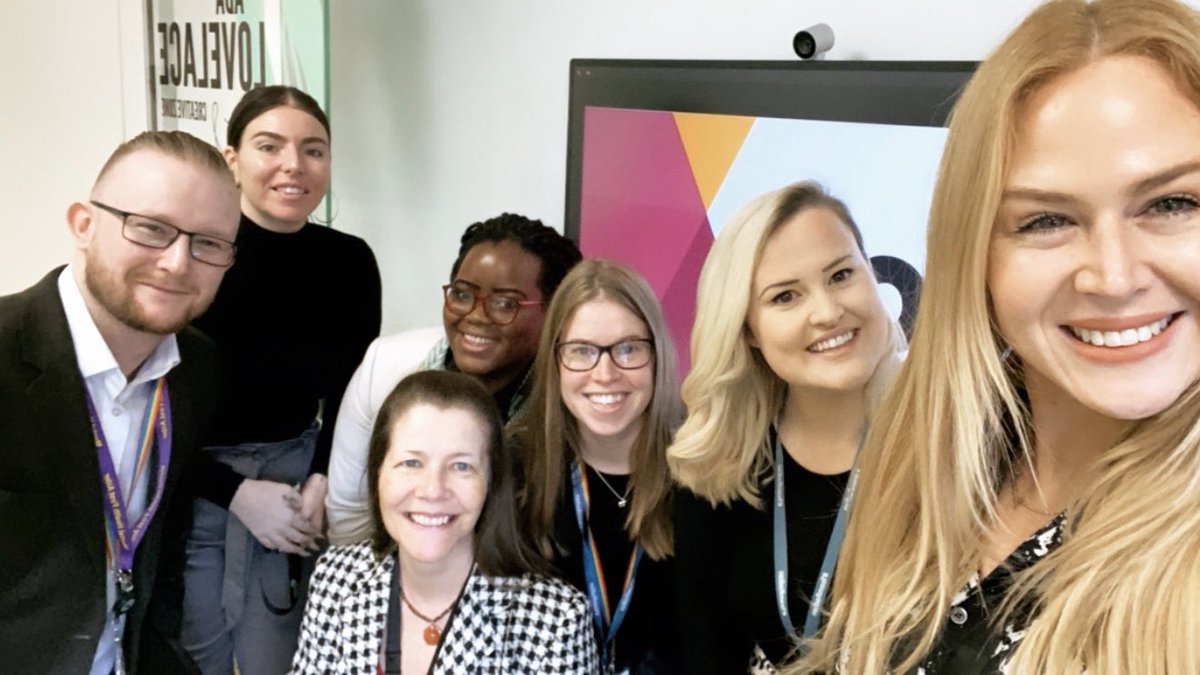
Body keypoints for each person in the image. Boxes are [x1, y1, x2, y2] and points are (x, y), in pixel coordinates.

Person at [792, 1, 1200, 673]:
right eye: (1046, 221)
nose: (1114, 277)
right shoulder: (929, 460)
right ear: (975, 254)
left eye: (1172, 203)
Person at [0, 131, 240, 674]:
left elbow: (159, 551)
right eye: (151, 228)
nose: (177, 263)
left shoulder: (195, 367)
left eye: (208, 243)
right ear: (83, 225)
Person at [181, 85, 382, 674]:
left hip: (298, 484)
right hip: (191, 482)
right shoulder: (192, 256)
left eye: (313, 150)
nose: (294, 165)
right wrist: (235, 493)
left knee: (286, 653)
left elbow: (349, 392)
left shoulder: (349, 262)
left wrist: (322, 480)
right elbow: (149, 410)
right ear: (231, 160)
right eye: (269, 146)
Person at [667, 182, 904, 674]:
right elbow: (707, 655)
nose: (828, 312)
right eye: (786, 296)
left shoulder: (955, 434)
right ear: (747, 330)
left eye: (841, 275)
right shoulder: (720, 464)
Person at [291, 370, 597, 673]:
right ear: (378, 472)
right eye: (411, 463)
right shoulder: (336, 578)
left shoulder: (556, 623)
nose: (433, 490)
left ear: (491, 482)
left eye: (461, 466)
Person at [326, 214, 582, 545]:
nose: (475, 316)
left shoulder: (574, 394)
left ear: (556, 311)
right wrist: (371, 576)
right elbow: (350, 513)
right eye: (462, 295)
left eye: (505, 303)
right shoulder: (386, 368)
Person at [512, 260, 683, 673]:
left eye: (628, 349)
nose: (605, 374)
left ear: (656, 354)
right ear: (555, 359)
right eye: (582, 351)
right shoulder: (511, 466)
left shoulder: (703, 469)